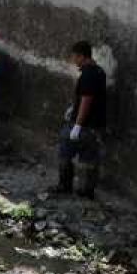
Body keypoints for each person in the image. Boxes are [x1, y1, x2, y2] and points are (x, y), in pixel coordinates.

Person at [55, 40, 108, 197]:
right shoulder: (99, 72)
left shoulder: (88, 75)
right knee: (89, 159)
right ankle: (87, 191)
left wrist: (77, 125)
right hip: (95, 126)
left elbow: (87, 100)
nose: (73, 61)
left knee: (65, 152)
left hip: (83, 125)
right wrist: (74, 108)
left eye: (74, 58)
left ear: (82, 56)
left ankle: (65, 186)